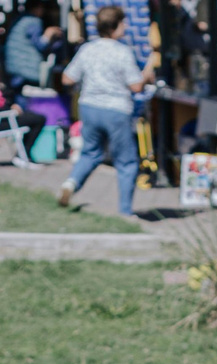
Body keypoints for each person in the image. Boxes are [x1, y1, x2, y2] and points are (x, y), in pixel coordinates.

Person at [60, 5, 150, 215]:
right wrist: (148, 74)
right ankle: (125, 211)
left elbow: (67, 78)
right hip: (116, 109)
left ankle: (71, 183)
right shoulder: (122, 52)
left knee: (90, 153)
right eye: (123, 22)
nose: (126, 26)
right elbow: (136, 86)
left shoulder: (87, 49)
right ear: (116, 26)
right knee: (126, 161)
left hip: (89, 106)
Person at [5, 0, 64, 92]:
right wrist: (48, 34)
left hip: (14, 68)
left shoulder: (20, 19)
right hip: (26, 70)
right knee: (25, 102)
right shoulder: (33, 22)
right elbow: (41, 45)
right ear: (38, 8)